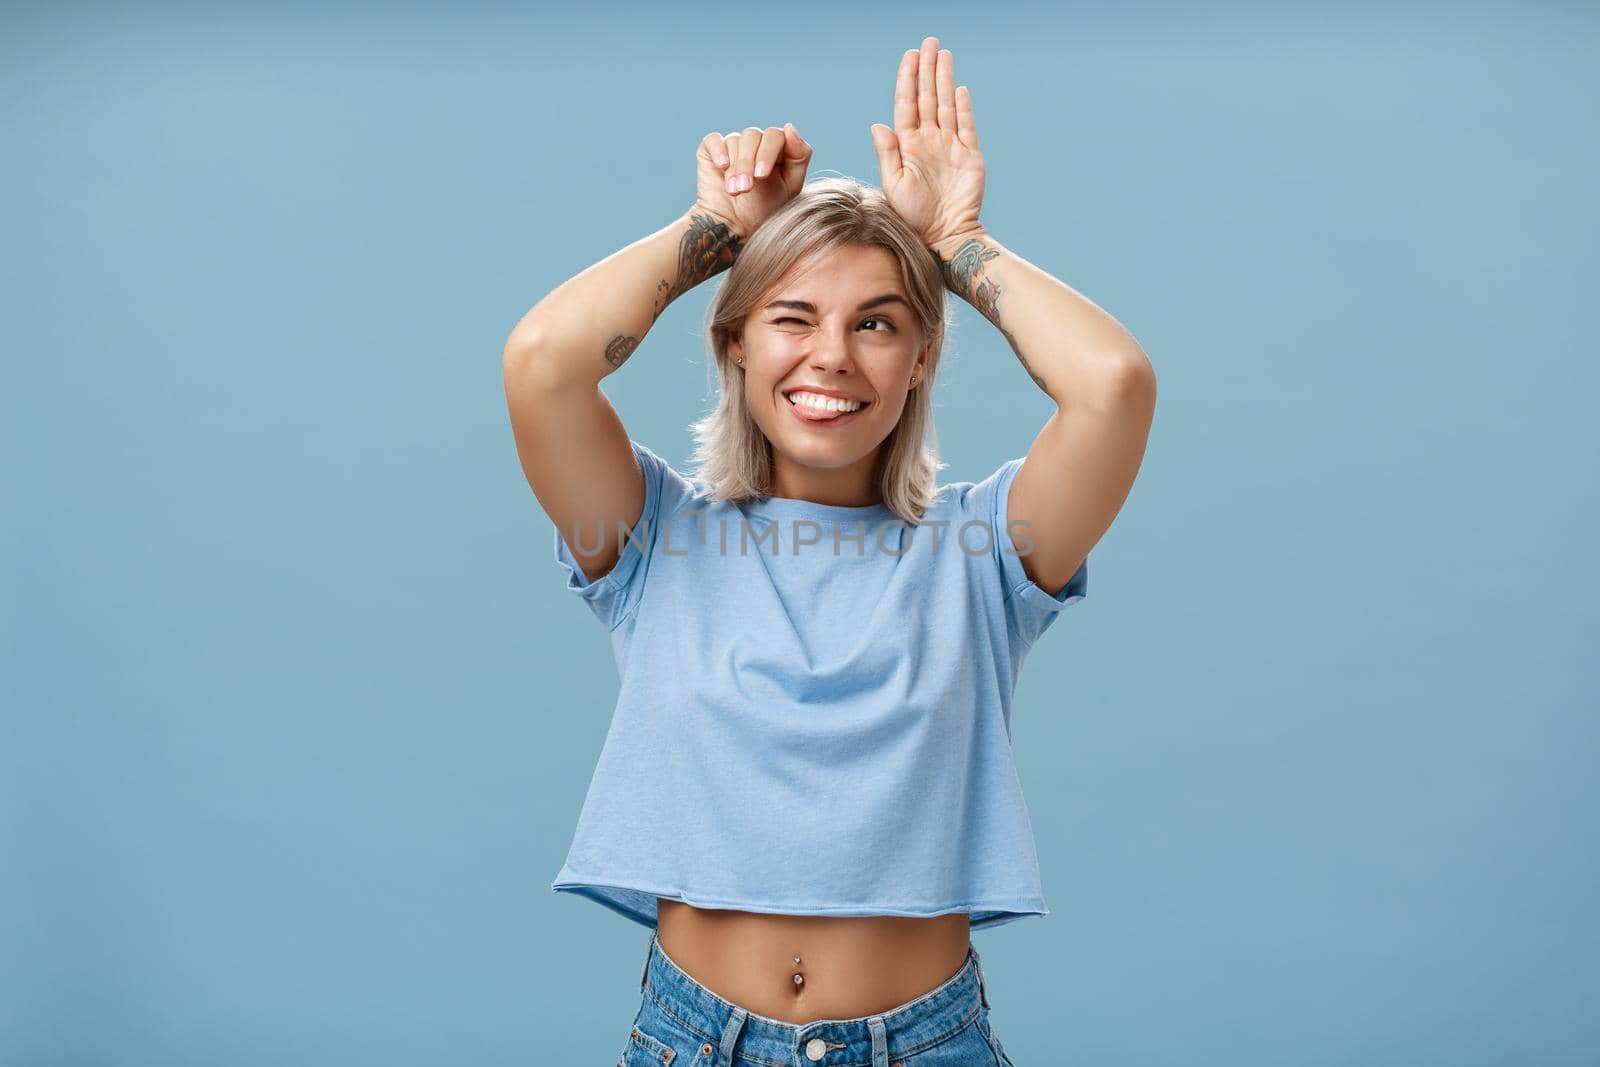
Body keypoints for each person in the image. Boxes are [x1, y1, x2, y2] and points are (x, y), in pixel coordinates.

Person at [502, 35, 1155, 1067]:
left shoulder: (983, 553)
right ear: (735, 343)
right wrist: (714, 228)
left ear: (920, 358)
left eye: (878, 323)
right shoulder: (650, 537)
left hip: (926, 1042)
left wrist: (956, 238)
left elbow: (1112, 384)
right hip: (691, 1039)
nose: (831, 357)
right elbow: (543, 364)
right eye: (791, 317)